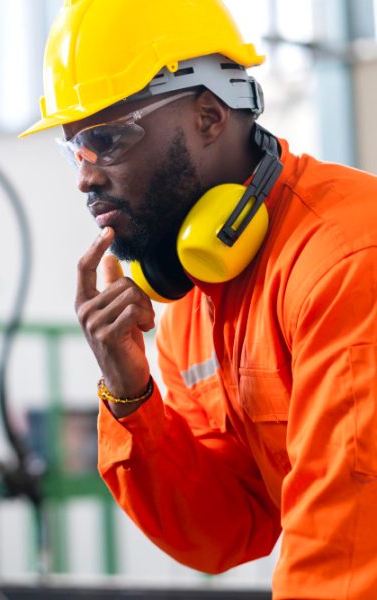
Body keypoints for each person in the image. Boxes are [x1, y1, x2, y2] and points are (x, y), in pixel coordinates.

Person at [20, 0, 377, 597]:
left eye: (105, 139)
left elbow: (350, 552)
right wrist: (132, 395)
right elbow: (225, 528)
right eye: (73, 149)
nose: (84, 175)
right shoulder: (189, 299)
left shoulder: (346, 260)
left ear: (209, 116)